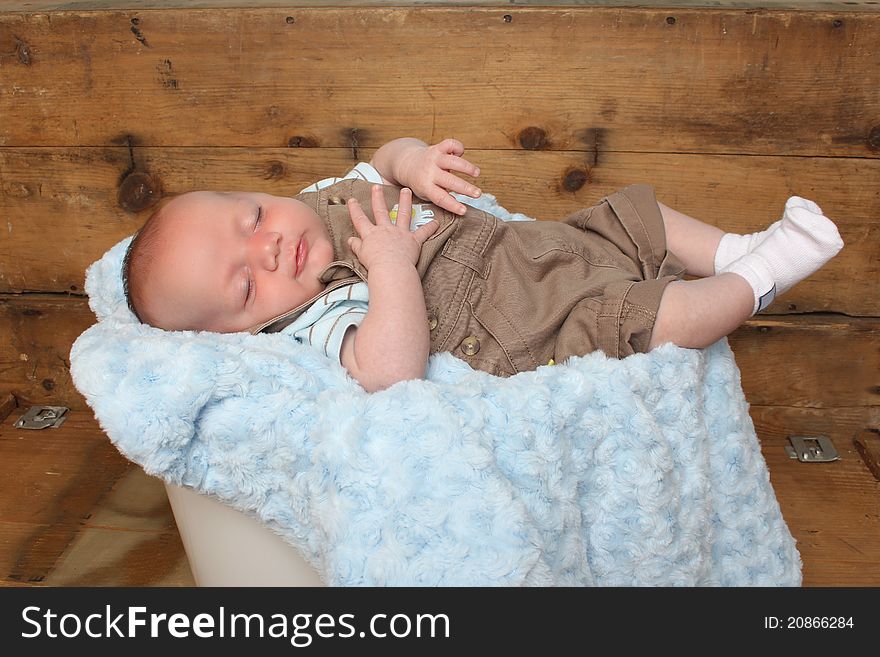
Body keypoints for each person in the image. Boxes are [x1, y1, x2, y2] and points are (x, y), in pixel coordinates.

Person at [122, 137, 843, 392]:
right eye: (247, 284)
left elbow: (379, 155)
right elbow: (388, 367)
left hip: (532, 247)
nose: (270, 246)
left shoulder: (317, 199)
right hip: (528, 325)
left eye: (251, 217)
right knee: (656, 317)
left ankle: (730, 249)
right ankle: (764, 274)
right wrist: (394, 268)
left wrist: (411, 161)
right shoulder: (313, 319)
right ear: (244, 332)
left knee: (633, 219)